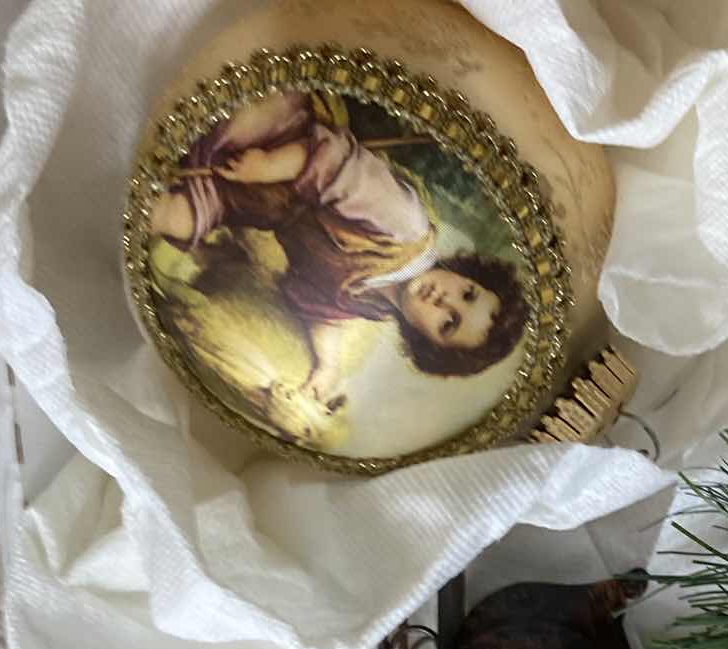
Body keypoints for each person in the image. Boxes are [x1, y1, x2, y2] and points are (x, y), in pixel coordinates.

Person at [149, 91, 529, 413]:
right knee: (221, 122)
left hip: (251, 203)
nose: (444, 300)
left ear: (426, 342)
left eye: (448, 323)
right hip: (286, 142)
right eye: (467, 293)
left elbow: (323, 311)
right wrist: (268, 165)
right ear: (468, 274)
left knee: (170, 218)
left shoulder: (372, 306)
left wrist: (327, 367)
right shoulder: (404, 224)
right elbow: (334, 163)